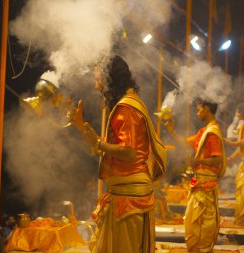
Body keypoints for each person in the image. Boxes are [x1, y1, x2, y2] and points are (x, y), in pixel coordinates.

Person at [71, 55, 167, 253]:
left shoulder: (126, 108)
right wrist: (80, 126)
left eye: (98, 78)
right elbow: (102, 147)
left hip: (129, 199)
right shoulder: (128, 104)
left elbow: (129, 152)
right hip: (126, 193)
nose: (96, 84)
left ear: (109, 79)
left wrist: (99, 143)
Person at [164, 100, 225, 253]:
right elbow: (185, 144)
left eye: (199, 109)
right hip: (198, 183)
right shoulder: (203, 132)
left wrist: (198, 161)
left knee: (204, 221)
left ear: (207, 109)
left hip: (206, 184)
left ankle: (202, 250)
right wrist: (171, 130)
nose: (197, 113)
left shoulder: (213, 132)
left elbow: (218, 159)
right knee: (192, 221)